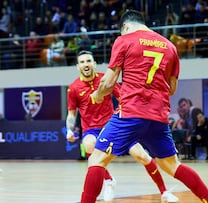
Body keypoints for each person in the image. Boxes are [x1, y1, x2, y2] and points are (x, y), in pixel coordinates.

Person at [81, 10, 208, 203]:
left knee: (96, 160)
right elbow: (171, 89)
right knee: (173, 166)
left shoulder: (125, 40)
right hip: (159, 117)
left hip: (130, 113)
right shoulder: (170, 47)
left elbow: (108, 83)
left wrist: (97, 94)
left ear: (126, 27)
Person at [67, 50, 178, 202]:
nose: (85, 64)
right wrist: (69, 130)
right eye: (82, 62)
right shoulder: (73, 88)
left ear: (94, 64)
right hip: (92, 129)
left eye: (88, 61)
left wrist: (126, 115)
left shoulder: (106, 80)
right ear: (77, 66)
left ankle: (164, 192)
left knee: (142, 156)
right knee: (89, 145)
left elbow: (124, 98)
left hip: (114, 127)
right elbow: (72, 114)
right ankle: (109, 180)